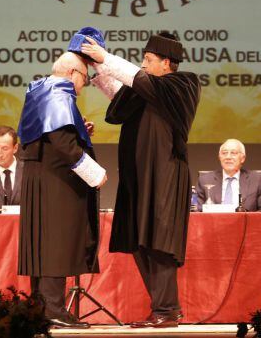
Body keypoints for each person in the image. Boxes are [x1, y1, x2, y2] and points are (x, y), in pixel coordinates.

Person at [82, 31, 201, 328]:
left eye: (148, 60)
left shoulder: (182, 84)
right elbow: (122, 92)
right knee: (139, 240)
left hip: (165, 173)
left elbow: (137, 79)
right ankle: (163, 307)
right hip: (138, 176)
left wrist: (105, 58)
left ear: (166, 62)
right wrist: (99, 66)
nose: (143, 65)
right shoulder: (148, 88)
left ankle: (168, 310)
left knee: (159, 240)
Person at [17, 51, 107, 329]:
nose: (85, 84)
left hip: (41, 177)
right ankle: (53, 309)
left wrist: (80, 130)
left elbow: (52, 132)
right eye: (85, 77)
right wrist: (95, 174)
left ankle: (42, 308)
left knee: (45, 244)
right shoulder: (59, 94)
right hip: (56, 181)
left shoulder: (41, 89)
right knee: (56, 244)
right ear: (71, 74)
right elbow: (63, 144)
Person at [196, 139, 261, 211]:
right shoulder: (205, 180)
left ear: (242, 158)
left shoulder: (256, 179)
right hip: (214, 223)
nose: (228, 157)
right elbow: (197, 210)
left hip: (246, 223)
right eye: (224, 153)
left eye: (233, 153)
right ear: (219, 157)